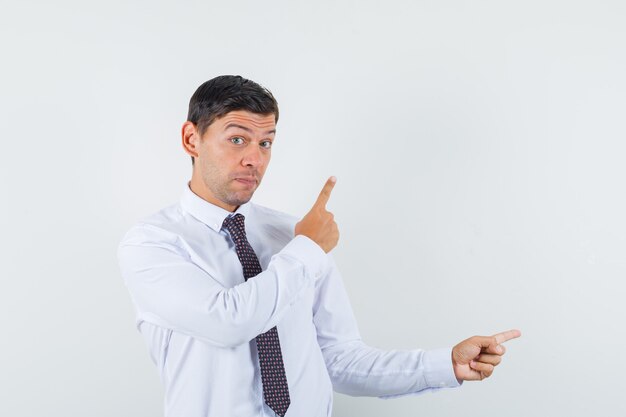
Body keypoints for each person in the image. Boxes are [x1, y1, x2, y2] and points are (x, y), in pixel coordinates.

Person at [117, 75, 521, 417]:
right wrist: (308, 249)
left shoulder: (291, 236)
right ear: (192, 139)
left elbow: (340, 360)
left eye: (266, 143)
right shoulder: (153, 244)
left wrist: (444, 364)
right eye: (238, 139)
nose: (254, 159)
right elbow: (229, 322)